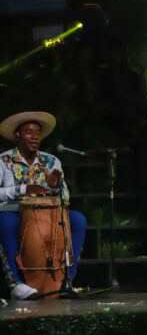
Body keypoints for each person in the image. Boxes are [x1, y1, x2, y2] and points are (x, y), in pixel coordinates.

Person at [0, 112, 87, 300]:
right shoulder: (3, 161)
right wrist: (22, 189)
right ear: (17, 135)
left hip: (48, 215)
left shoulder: (51, 161)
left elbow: (65, 195)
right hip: (14, 213)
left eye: (38, 133)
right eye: (29, 132)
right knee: (5, 222)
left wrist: (54, 187)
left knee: (78, 220)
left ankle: (67, 280)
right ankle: (15, 283)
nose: (35, 137)